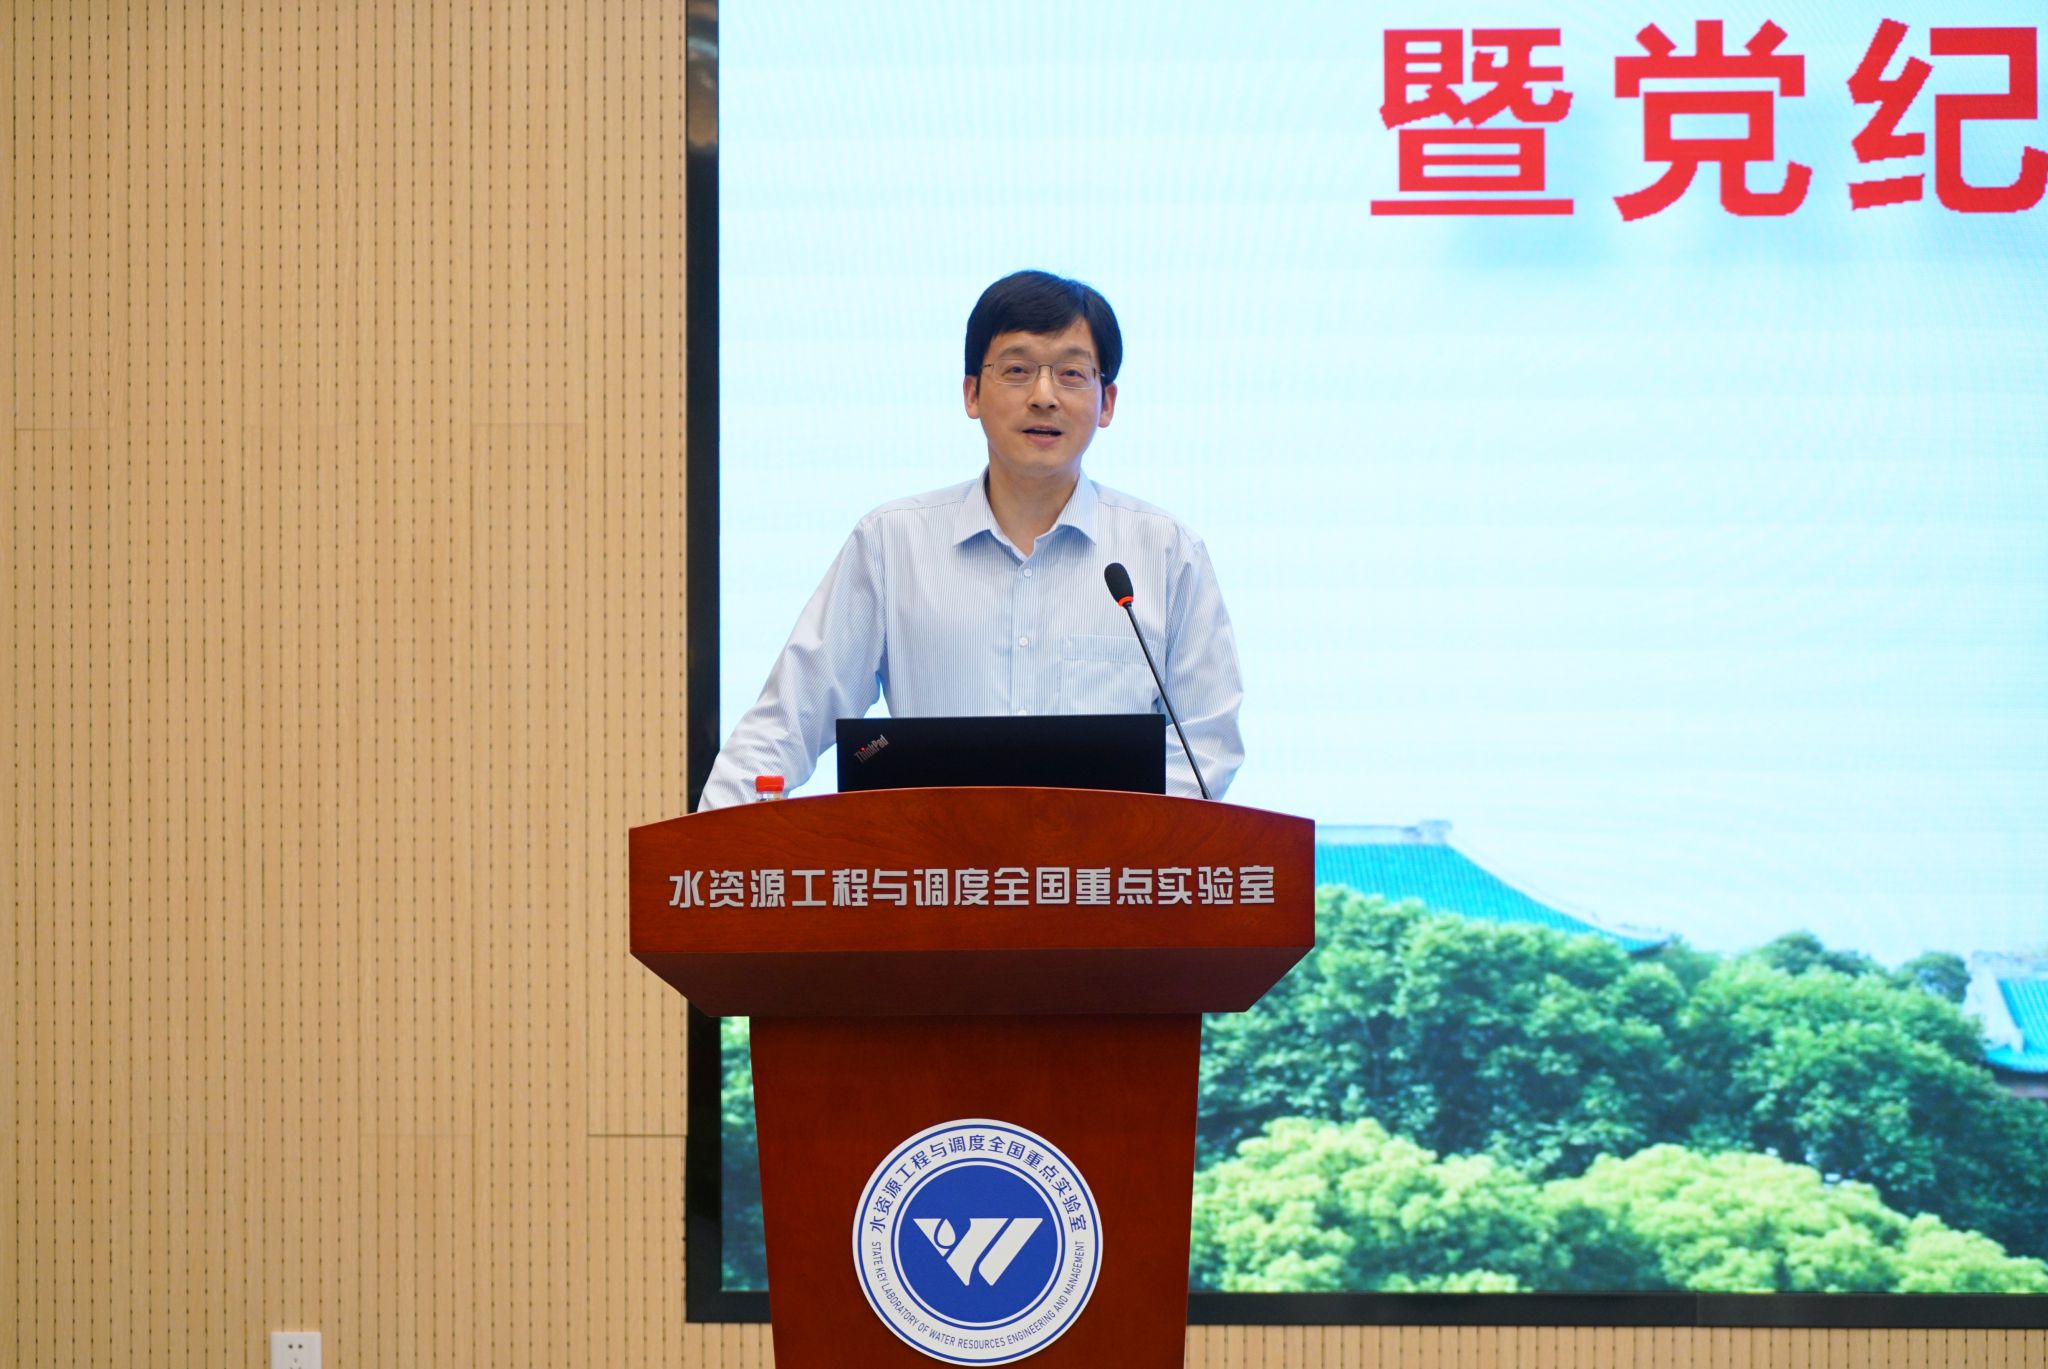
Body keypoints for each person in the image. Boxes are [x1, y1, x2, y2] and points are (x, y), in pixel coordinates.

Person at [697, 269, 1243, 809]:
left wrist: (1112, 843)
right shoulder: (891, 544)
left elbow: (1205, 746)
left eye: (1072, 374)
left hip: (1106, 865)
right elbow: (785, 723)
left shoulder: (1167, 554)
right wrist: (702, 844)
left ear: (1107, 403)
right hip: (933, 864)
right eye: (1017, 370)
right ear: (972, 393)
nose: (1044, 396)